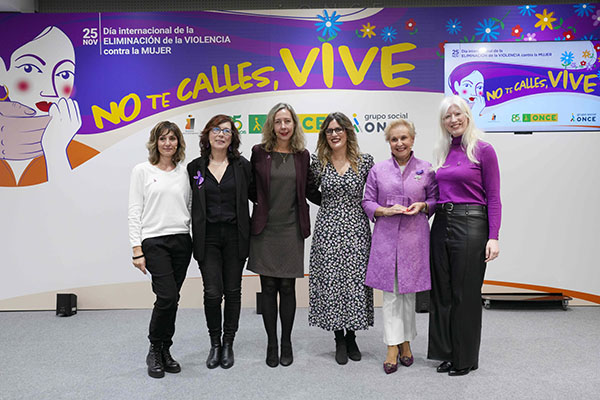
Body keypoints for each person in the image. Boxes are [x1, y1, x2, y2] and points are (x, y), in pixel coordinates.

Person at [428, 95, 501, 376]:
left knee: (465, 294)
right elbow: (437, 194)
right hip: (442, 223)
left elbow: (494, 197)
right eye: (448, 116)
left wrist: (493, 236)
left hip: (471, 224)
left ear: (468, 116)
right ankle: (448, 353)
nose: (453, 120)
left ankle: (465, 358)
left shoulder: (483, 150)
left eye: (458, 114)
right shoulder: (442, 152)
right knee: (443, 293)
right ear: (443, 122)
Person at [362, 119, 438, 374]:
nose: (399, 143)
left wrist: (424, 206)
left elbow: (435, 199)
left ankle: (406, 342)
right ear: (389, 142)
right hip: (386, 239)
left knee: (409, 294)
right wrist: (383, 210)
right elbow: (367, 201)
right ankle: (392, 346)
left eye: (404, 138)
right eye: (394, 139)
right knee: (392, 295)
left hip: (414, 238)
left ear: (413, 139)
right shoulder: (378, 170)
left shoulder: (426, 169)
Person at [248, 102, 321, 368]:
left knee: (288, 287)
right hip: (265, 230)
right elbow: (251, 188)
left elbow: (310, 191)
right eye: (278, 122)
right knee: (267, 287)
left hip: (291, 229)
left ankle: (287, 342)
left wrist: (337, 199)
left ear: (294, 124)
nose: (283, 126)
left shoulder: (302, 155)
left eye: (287, 121)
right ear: (271, 125)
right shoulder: (259, 153)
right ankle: (272, 343)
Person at [308, 112, 374, 365]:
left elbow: (373, 194)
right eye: (329, 131)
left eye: (339, 129)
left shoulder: (365, 161)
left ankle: (352, 335)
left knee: (355, 282)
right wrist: (329, 204)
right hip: (328, 230)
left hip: (357, 230)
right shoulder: (319, 163)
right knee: (332, 283)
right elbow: (310, 191)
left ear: (348, 132)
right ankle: (338, 337)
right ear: (324, 135)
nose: (334, 134)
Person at [187, 115, 251, 370]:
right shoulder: (195, 168)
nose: (221, 134)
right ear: (207, 135)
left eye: (226, 130)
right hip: (208, 238)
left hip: (236, 236)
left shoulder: (243, 166)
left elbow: (257, 196)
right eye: (216, 129)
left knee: (233, 292)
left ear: (232, 137)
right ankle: (214, 343)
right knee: (213, 293)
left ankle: (228, 343)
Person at [128, 121, 192, 379]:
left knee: (172, 298)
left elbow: (188, 206)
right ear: (155, 142)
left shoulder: (184, 173)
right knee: (165, 296)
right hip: (154, 242)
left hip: (181, 241)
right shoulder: (141, 171)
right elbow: (134, 211)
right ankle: (154, 348)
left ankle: (166, 350)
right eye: (163, 138)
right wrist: (136, 249)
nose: (168, 143)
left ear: (178, 142)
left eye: (172, 138)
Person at [0, 26, 96, 187]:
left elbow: (75, 203)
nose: (51, 91)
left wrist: (56, 150)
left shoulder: (83, 154)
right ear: (3, 72)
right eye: (29, 68)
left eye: (64, 74)